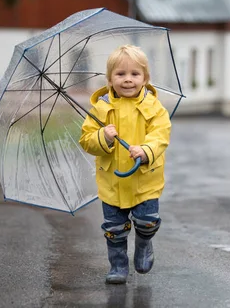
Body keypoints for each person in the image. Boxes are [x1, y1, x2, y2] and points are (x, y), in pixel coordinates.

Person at [79, 44, 171, 284]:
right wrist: (103, 137)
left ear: (145, 78)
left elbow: (161, 135)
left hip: (145, 180)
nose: (128, 80)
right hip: (112, 182)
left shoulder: (154, 108)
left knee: (147, 222)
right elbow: (87, 140)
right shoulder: (100, 110)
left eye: (134, 74)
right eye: (120, 74)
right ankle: (118, 266)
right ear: (109, 79)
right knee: (115, 230)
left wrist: (146, 149)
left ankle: (144, 244)